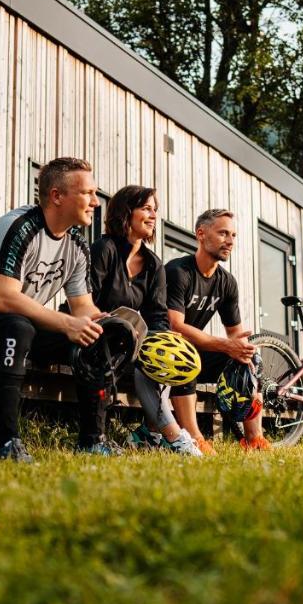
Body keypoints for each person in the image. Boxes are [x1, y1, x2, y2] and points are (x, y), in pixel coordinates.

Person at [0, 156, 118, 461]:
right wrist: (66, 323)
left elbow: (82, 306)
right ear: (57, 196)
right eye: (88, 193)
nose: (96, 202)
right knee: (18, 325)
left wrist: (104, 323)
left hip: (20, 325)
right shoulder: (17, 226)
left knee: (95, 340)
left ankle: (93, 440)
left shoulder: (77, 244)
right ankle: (9, 443)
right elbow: (3, 299)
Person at [88, 185, 204, 457]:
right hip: (96, 337)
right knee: (142, 355)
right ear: (126, 212)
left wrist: (160, 345)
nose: (153, 216)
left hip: (131, 343)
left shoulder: (154, 264)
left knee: (158, 356)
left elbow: (158, 318)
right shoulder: (104, 249)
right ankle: (174, 437)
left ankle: (156, 433)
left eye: (155, 210)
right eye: (146, 209)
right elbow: (85, 302)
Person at [165, 209, 272, 452]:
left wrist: (242, 351)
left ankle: (254, 438)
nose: (230, 241)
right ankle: (194, 438)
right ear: (201, 234)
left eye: (233, 235)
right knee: (184, 354)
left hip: (197, 353)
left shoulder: (227, 282)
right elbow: (176, 327)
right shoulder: (178, 271)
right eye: (223, 233)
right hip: (163, 353)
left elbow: (235, 335)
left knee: (249, 358)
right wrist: (226, 345)